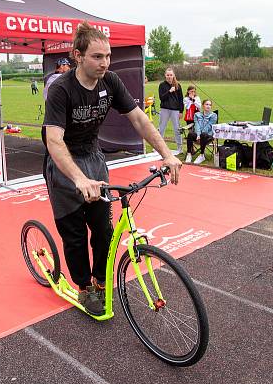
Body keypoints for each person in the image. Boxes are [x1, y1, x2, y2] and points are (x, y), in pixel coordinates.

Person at [43, 22, 182, 316]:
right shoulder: (61, 89)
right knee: (75, 235)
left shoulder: (111, 82)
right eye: (97, 56)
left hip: (93, 158)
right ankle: (84, 287)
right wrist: (79, 179)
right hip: (65, 164)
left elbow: (140, 120)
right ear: (78, 56)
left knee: (104, 231)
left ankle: (101, 279)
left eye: (107, 55)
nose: (105, 62)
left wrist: (168, 154)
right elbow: (53, 140)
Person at [158, 68, 184, 155]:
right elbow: (161, 98)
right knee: (161, 129)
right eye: (167, 75)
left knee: (177, 129)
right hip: (164, 109)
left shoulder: (178, 85)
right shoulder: (162, 85)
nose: (169, 76)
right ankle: (158, 147)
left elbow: (181, 99)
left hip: (175, 110)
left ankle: (179, 148)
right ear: (165, 75)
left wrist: (181, 111)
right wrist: (169, 91)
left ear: (173, 76)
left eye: (171, 75)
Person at [186, 99, 218, 164]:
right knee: (190, 134)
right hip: (198, 135)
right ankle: (189, 154)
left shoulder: (214, 115)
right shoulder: (197, 114)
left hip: (208, 136)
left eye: (210, 105)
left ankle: (202, 155)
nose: (208, 106)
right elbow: (196, 125)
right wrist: (198, 134)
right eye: (206, 104)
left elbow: (208, 126)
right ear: (203, 105)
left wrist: (199, 135)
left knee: (203, 134)